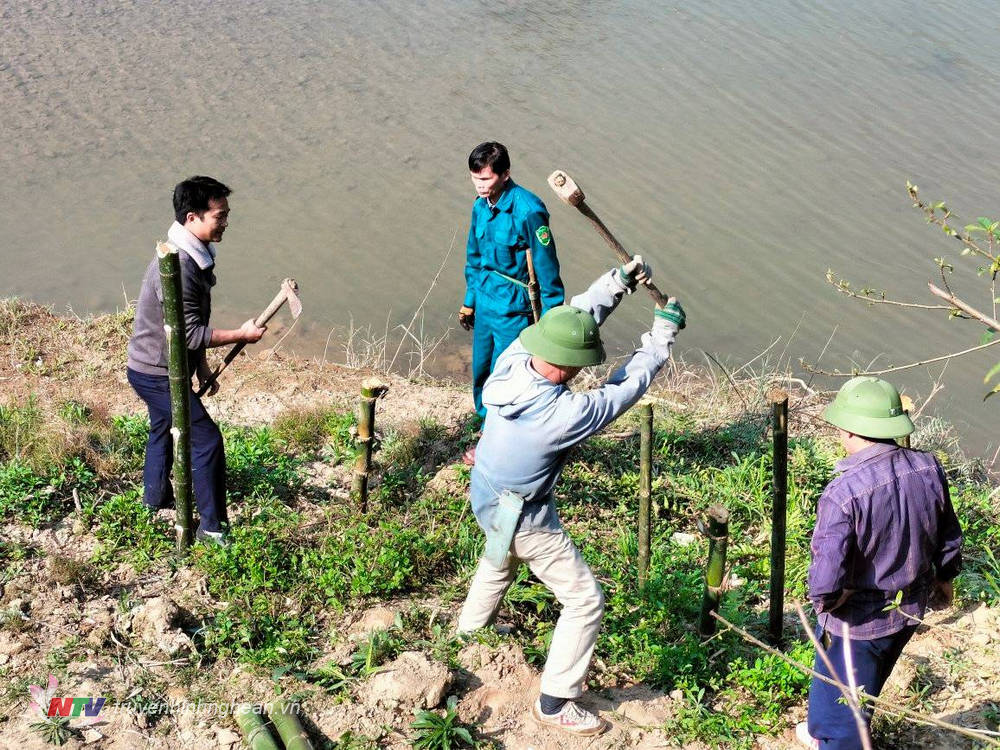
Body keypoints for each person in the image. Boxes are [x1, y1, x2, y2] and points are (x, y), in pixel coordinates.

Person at [456, 257, 685, 736]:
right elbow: (625, 387)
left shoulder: (513, 360)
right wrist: (661, 336)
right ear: (567, 366)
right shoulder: (563, 415)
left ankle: (469, 633)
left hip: (487, 494)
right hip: (526, 517)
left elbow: (572, 318)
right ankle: (556, 701)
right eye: (580, 363)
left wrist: (616, 282)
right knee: (584, 600)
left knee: (499, 558)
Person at [796, 377, 963, 750]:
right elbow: (949, 535)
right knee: (863, 688)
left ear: (849, 430)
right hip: (908, 610)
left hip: (856, 625)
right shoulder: (928, 467)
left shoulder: (842, 494)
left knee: (845, 715)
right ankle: (823, 731)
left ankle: (835, 739)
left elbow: (824, 583)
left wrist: (827, 602)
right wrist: (945, 579)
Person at [126, 176, 266, 546]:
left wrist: (200, 366)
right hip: (155, 373)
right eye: (220, 216)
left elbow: (192, 322)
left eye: (227, 214)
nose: (226, 222)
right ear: (192, 217)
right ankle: (212, 529)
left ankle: (155, 499)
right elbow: (189, 334)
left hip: (161, 367)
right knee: (207, 440)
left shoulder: (193, 254)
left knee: (162, 428)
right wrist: (241, 334)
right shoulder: (181, 264)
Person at [460, 142, 565, 429]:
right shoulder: (480, 206)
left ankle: (495, 431)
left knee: (505, 373)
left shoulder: (528, 211)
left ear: (505, 174)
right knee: (481, 368)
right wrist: (469, 301)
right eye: (475, 178)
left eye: (486, 179)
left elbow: (547, 269)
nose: (479, 185)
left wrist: (550, 321)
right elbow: (474, 258)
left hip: (514, 310)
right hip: (485, 302)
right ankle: (483, 420)